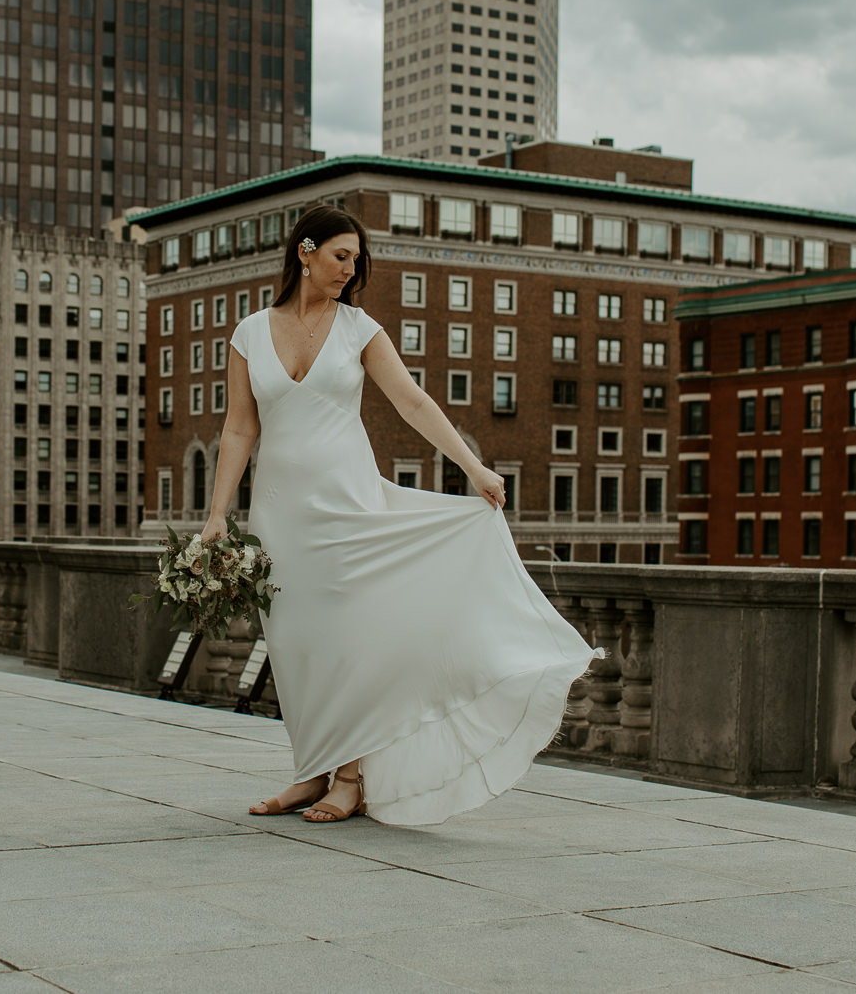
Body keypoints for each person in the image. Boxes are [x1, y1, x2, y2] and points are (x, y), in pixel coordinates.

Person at [199, 206, 597, 826]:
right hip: (280, 512)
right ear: (305, 252)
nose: (350, 270)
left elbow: (411, 401)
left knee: (351, 638)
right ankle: (311, 770)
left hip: (349, 503)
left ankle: (350, 777)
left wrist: (474, 467)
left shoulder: (359, 329)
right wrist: (217, 515)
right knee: (296, 642)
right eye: (341, 257)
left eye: (356, 260)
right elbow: (238, 427)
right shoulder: (250, 333)